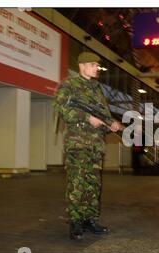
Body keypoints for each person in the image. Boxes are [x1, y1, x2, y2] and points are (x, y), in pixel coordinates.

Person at [54, 51, 121, 240]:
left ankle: (89, 219)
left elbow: (104, 115)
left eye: (97, 65)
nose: (96, 68)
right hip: (78, 143)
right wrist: (87, 118)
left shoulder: (96, 89)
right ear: (82, 66)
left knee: (93, 184)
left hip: (95, 144)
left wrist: (111, 124)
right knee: (77, 183)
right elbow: (62, 109)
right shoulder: (68, 85)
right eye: (93, 65)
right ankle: (75, 222)